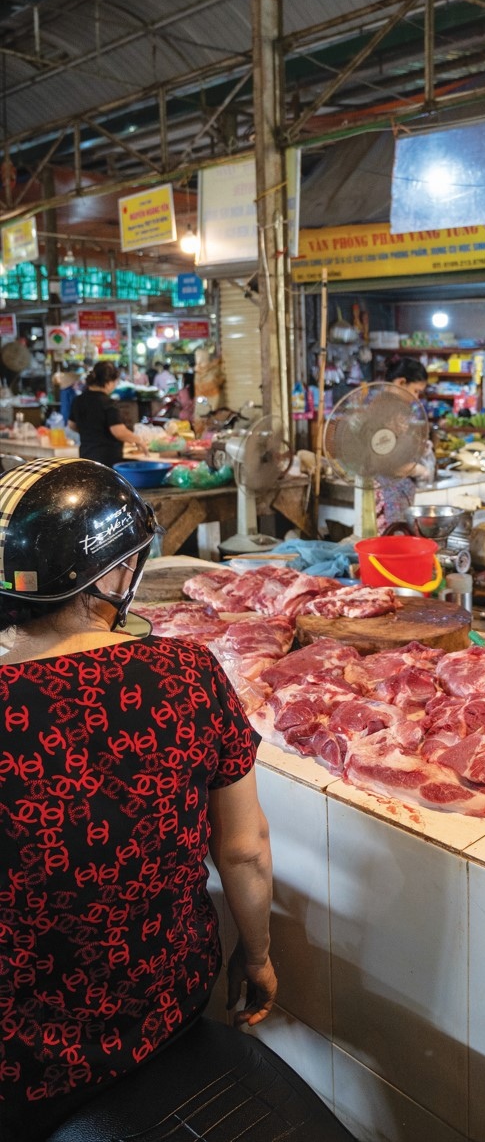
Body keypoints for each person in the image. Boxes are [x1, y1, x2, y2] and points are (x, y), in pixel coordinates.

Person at [0, 460, 277, 1141]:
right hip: (170, 1003)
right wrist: (260, 956)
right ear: (113, 575)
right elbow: (243, 850)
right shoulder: (187, 673)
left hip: (22, 1058)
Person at [375, 357, 434, 533]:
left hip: (397, 495)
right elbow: (386, 462)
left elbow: (395, 445)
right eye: (415, 391)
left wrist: (417, 447)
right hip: (387, 497)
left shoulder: (392, 406)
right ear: (401, 382)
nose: (416, 398)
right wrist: (418, 470)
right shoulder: (385, 409)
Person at [68, 361, 146, 466]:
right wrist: (139, 440)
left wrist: (90, 432)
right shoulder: (108, 403)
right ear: (108, 382)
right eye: (115, 382)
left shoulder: (78, 400)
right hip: (107, 460)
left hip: (86, 457)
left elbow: (71, 425)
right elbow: (119, 432)